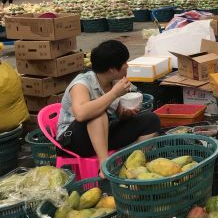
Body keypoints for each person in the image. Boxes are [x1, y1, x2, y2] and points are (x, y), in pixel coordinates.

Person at [56, 40, 161, 174]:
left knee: (151, 120)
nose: (127, 66)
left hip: (101, 135)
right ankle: (105, 167)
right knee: (97, 113)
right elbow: (81, 114)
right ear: (112, 68)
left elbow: (115, 114)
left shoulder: (114, 82)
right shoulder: (81, 84)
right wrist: (114, 94)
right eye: (124, 63)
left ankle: (129, 165)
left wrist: (124, 114)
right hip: (72, 142)